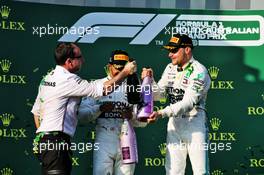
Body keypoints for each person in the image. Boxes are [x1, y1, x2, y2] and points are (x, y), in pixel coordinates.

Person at [31, 43, 136, 175]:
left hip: (44, 140)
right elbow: (103, 89)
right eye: (79, 57)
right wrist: (126, 72)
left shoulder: (47, 78)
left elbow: (36, 112)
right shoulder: (68, 79)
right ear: (69, 61)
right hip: (56, 141)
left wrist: (44, 137)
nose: (83, 60)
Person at [142, 34, 211, 175]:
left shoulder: (199, 71)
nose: (169, 54)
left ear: (187, 50)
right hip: (174, 124)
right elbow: (159, 94)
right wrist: (149, 81)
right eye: (169, 50)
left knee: (200, 172)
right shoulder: (170, 68)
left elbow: (188, 103)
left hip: (195, 124)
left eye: (174, 51)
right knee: (173, 172)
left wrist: (162, 113)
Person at [78, 50, 147, 175]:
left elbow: (144, 121)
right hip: (104, 139)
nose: (121, 72)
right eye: (117, 68)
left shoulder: (135, 87)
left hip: (127, 139)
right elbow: (81, 116)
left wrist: (131, 116)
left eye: (124, 68)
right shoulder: (98, 85)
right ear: (109, 66)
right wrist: (99, 109)